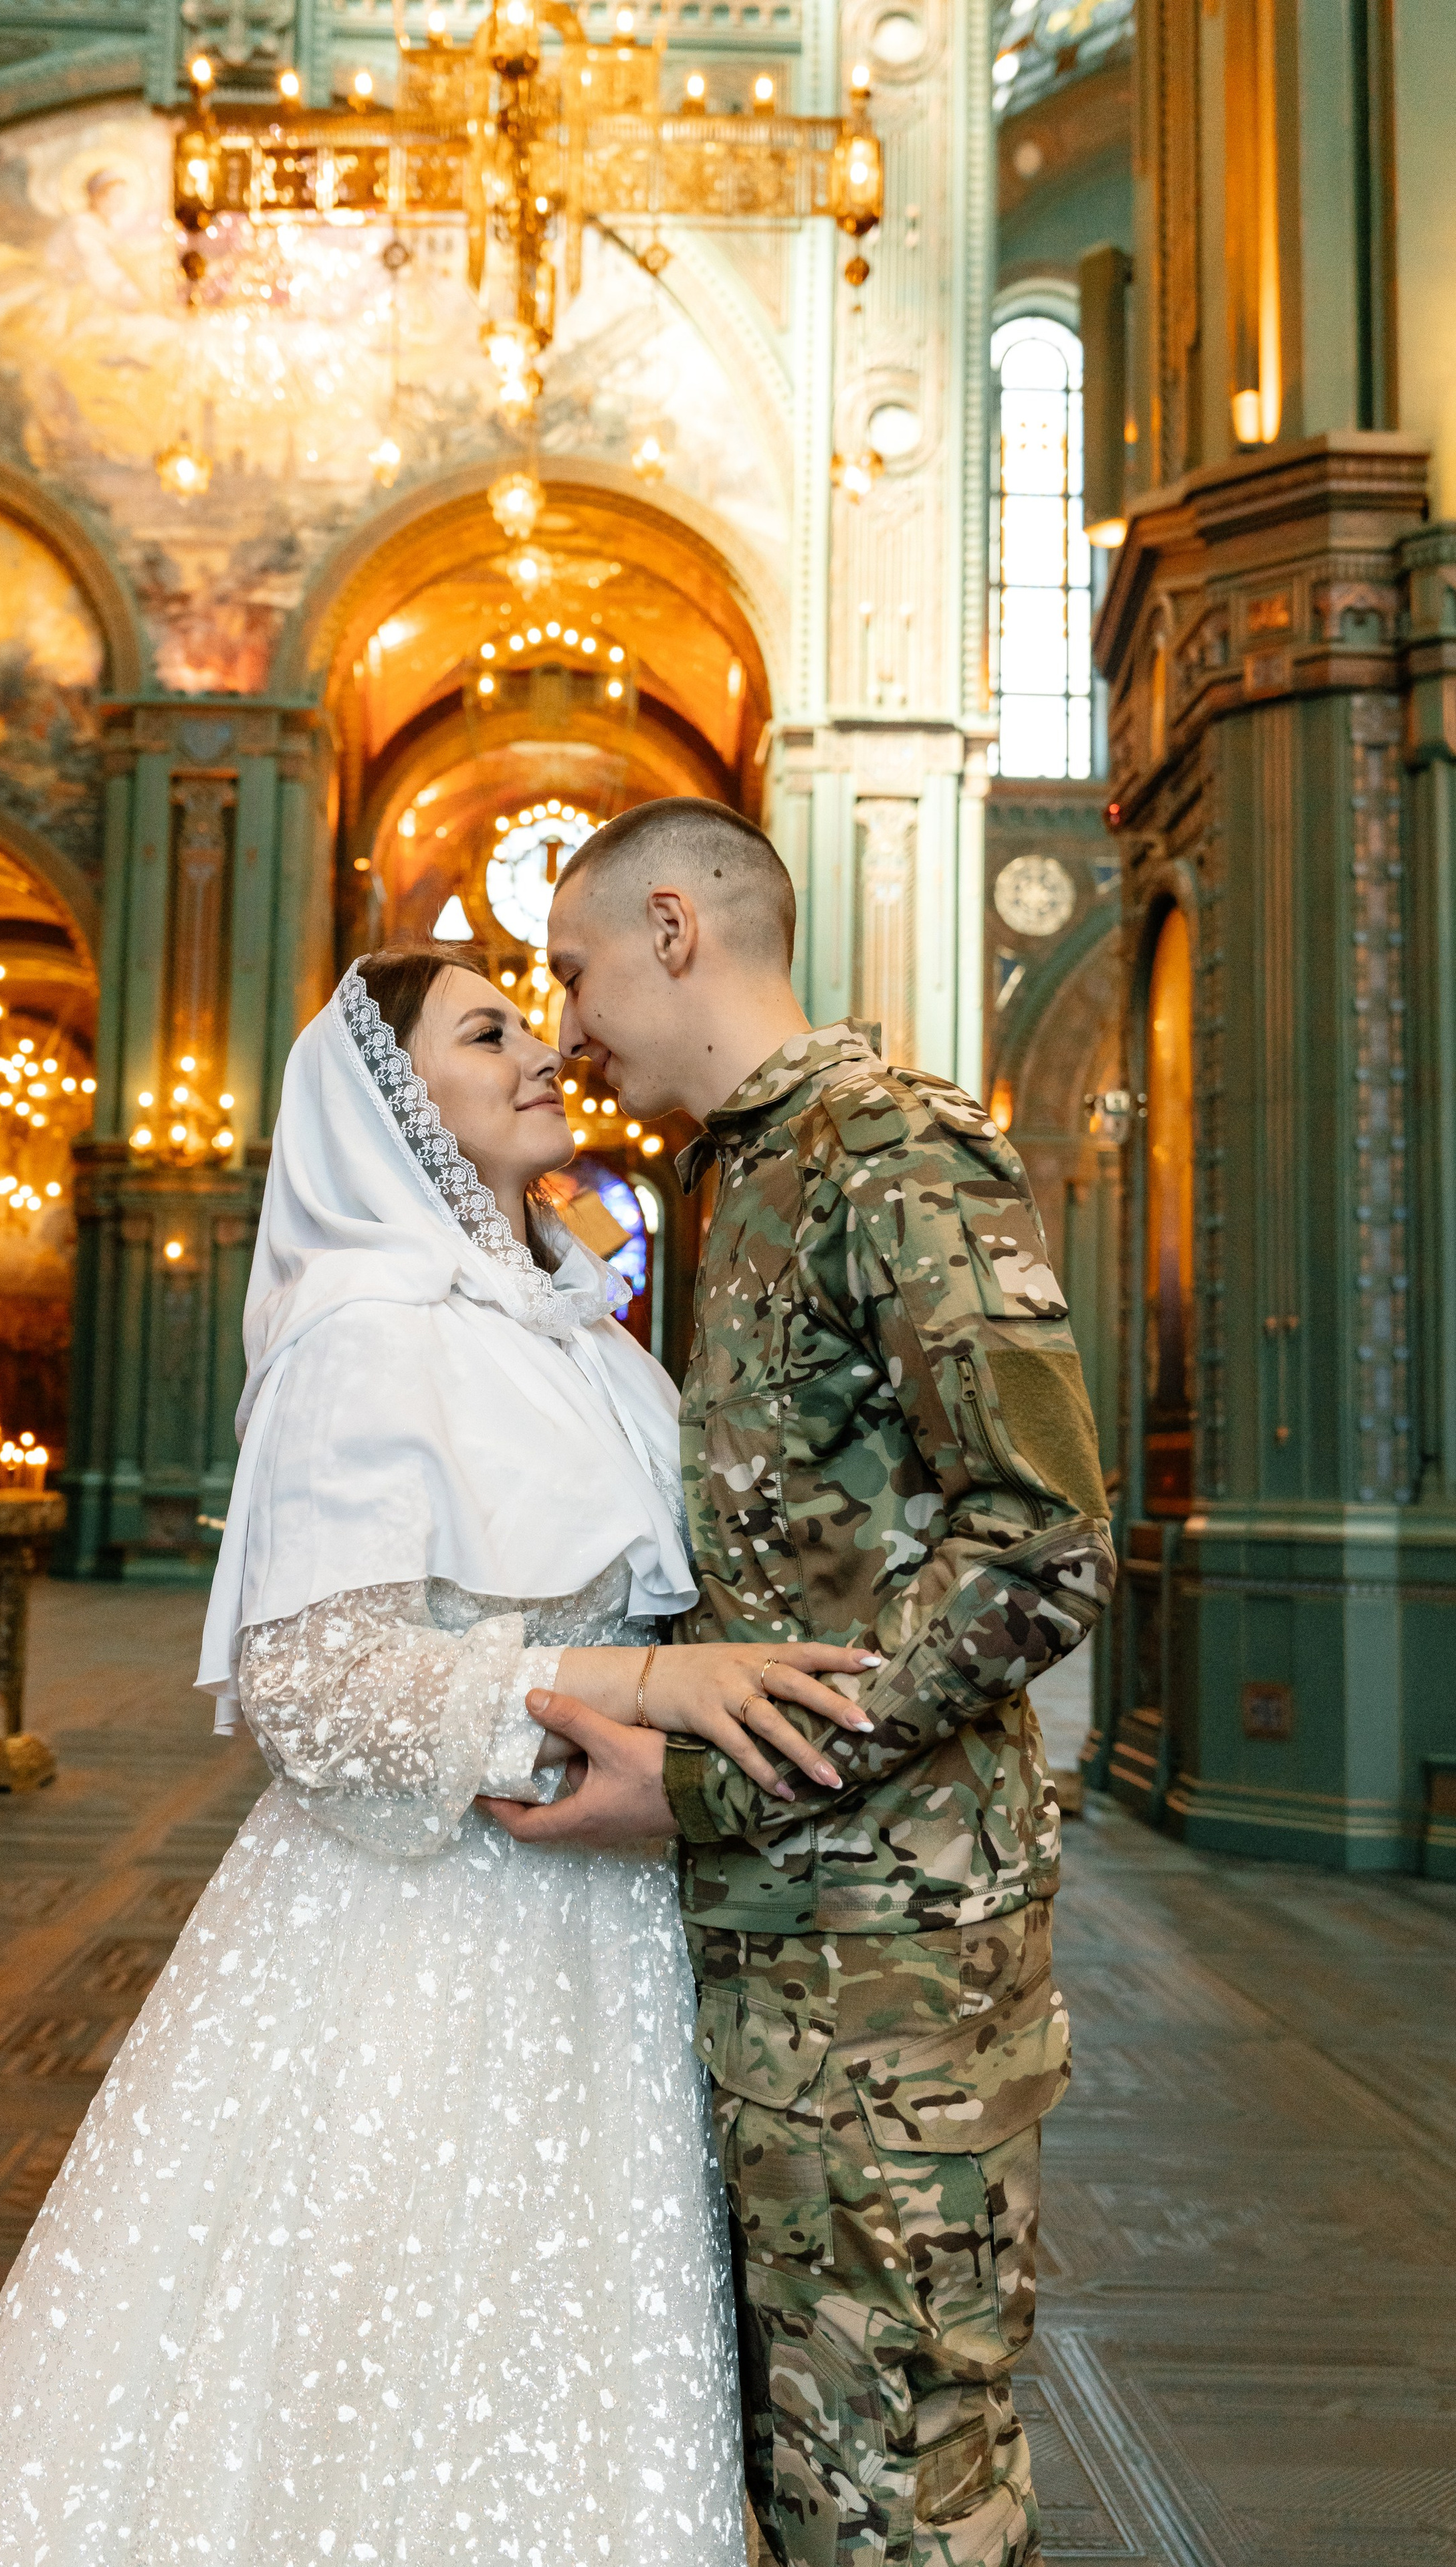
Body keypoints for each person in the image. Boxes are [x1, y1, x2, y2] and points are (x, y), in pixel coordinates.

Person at [0, 940, 878, 2567]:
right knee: (370, 2361)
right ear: (394, 1100)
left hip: (604, 1931)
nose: (545, 1048)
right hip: (421, 1942)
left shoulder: (592, 1342)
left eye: (533, 1020)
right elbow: (318, 1688)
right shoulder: (362, 1331)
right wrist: (645, 1677)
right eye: (488, 1033)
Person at [484, 804, 1117, 2567]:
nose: (564, 1018)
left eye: (574, 965)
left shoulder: (886, 1152)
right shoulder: (737, 1168)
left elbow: (1048, 1540)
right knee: (798, 2473)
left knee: (902, 2487)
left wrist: (706, 1781)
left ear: (674, 928)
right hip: (775, 1944)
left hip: (895, 1970)